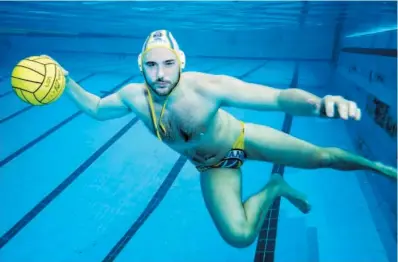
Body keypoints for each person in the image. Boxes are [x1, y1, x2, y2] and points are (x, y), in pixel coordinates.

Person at [45, 29, 397, 248]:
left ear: (181, 61)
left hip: (244, 139)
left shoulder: (208, 88)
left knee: (324, 159)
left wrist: (319, 105)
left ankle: (379, 167)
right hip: (213, 166)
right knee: (240, 237)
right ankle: (275, 187)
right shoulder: (132, 98)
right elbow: (95, 108)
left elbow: (276, 98)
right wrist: (64, 82)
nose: (161, 74)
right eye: (152, 66)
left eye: (168, 64)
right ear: (141, 66)